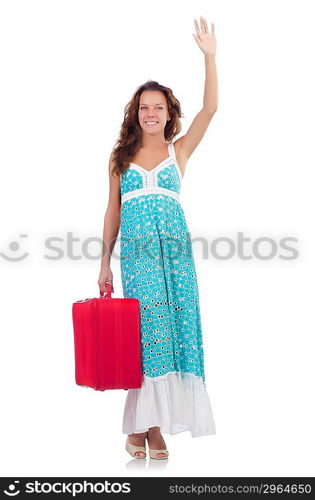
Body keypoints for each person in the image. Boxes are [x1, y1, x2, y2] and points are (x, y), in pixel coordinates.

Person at [98, 16, 218, 460]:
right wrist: (104, 262)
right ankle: (148, 428)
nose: (151, 113)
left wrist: (210, 57)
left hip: (177, 257)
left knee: (177, 331)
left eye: (159, 108)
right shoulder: (119, 158)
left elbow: (211, 110)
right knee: (148, 336)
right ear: (136, 113)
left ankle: (147, 428)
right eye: (144, 107)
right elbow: (113, 211)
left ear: (169, 115)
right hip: (139, 257)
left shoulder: (177, 151)